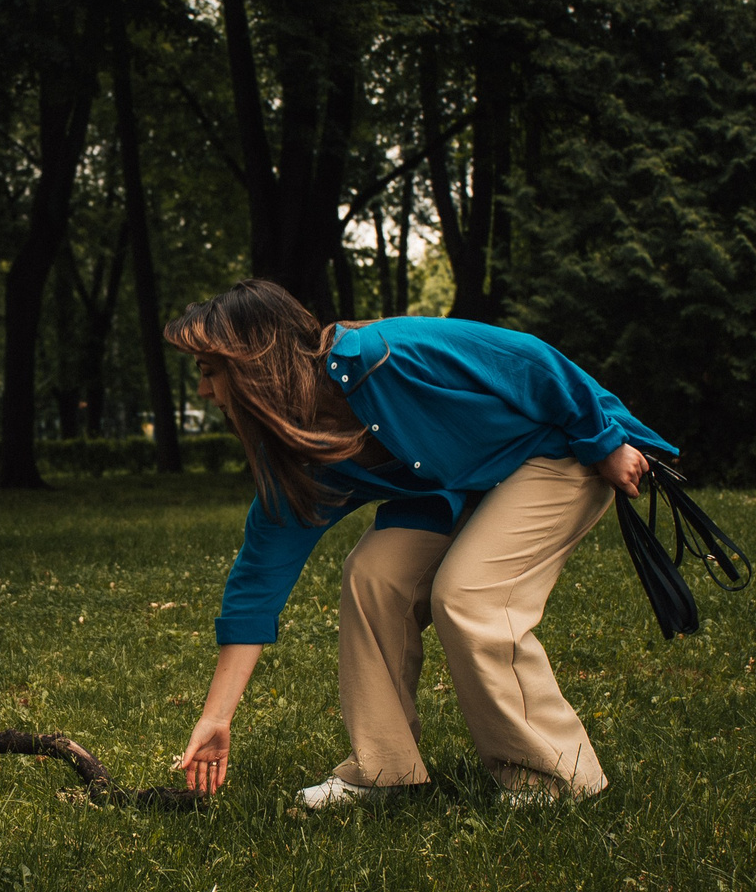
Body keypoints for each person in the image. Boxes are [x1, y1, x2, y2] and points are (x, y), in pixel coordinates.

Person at [166, 279, 674, 808]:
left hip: (559, 452)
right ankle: (384, 770)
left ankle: (554, 778)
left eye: (209, 372)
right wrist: (216, 718)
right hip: (463, 486)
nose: (204, 390)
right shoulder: (294, 453)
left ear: (255, 362)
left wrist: (603, 441)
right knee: (373, 578)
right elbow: (257, 583)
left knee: (469, 595)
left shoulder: (386, 355)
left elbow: (530, 361)